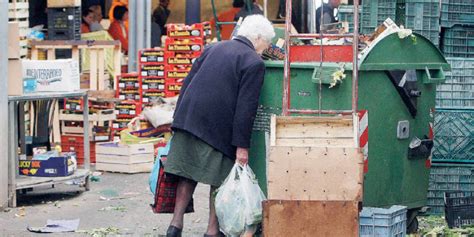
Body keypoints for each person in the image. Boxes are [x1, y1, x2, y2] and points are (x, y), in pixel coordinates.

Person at [164, 14, 275, 237]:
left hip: (189, 119)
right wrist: (242, 147)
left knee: (187, 174)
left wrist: (177, 121)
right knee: (221, 181)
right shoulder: (254, 62)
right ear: (258, 37)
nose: (267, 48)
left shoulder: (213, 48)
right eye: (267, 43)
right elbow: (246, 108)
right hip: (217, 127)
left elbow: (187, 82)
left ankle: (175, 226)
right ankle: (212, 231)